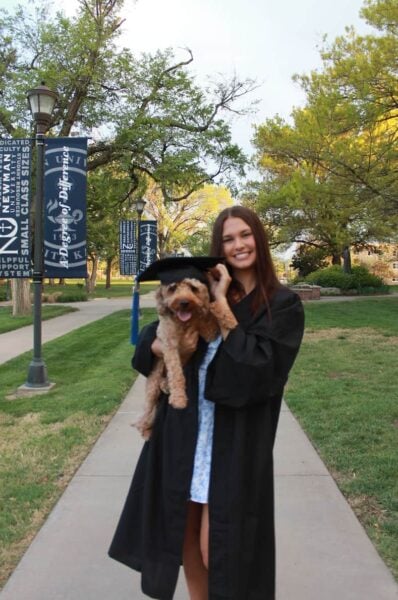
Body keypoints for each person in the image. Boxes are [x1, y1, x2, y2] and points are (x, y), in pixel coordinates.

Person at [109, 206, 305, 600]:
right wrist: (155, 342)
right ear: (219, 247)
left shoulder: (281, 305)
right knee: (182, 539)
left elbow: (260, 371)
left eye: (245, 235)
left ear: (259, 240)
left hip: (234, 442)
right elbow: (157, 333)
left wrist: (221, 305)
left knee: (220, 549)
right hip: (185, 435)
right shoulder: (195, 287)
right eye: (228, 239)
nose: (238, 245)